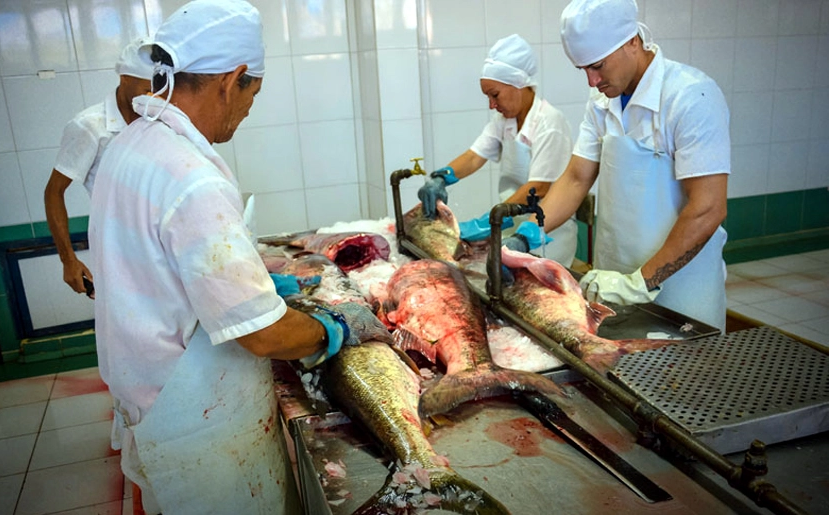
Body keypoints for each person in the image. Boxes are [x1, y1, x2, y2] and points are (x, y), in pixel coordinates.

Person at [87, 1, 386, 513]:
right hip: (198, 420)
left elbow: (165, 267)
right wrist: (333, 329)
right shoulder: (192, 176)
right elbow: (263, 335)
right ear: (235, 77)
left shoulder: (132, 144)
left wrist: (259, 289)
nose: (250, 109)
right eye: (255, 92)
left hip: (151, 398)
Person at [535, 0, 729, 332]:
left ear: (632, 42)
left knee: (679, 380)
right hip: (614, 284)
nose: (592, 81)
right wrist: (529, 231)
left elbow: (708, 208)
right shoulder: (601, 102)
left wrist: (640, 283)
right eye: (583, 70)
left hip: (680, 291)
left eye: (598, 66)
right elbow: (576, 178)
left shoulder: (690, 96)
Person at [418, 34, 577, 268]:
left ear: (518, 84)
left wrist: (491, 219)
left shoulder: (549, 122)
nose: (492, 105)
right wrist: (442, 177)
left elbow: (540, 186)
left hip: (544, 233)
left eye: (495, 95)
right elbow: (474, 157)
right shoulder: (504, 120)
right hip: (512, 222)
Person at [44, 37, 153, 297]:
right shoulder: (90, 126)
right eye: (147, 88)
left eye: (159, 90)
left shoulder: (155, 118)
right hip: (119, 248)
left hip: (158, 243)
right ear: (125, 78)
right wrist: (68, 259)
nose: (153, 97)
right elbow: (54, 192)